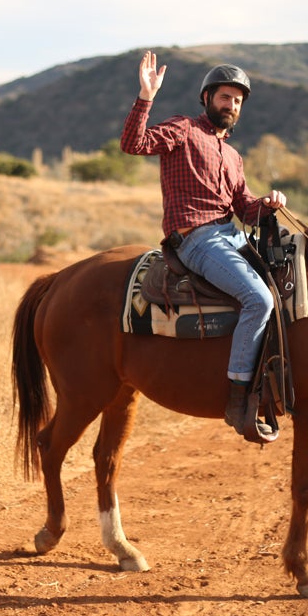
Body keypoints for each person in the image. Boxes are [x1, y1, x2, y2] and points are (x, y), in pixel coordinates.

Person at [120, 50, 287, 442]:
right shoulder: (182, 129)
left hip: (232, 234)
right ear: (208, 98)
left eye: (238, 101)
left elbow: (245, 209)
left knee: (288, 285)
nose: (231, 105)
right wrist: (146, 96)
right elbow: (134, 142)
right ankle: (238, 398)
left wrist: (268, 203)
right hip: (195, 238)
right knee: (258, 300)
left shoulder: (232, 156)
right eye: (225, 97)